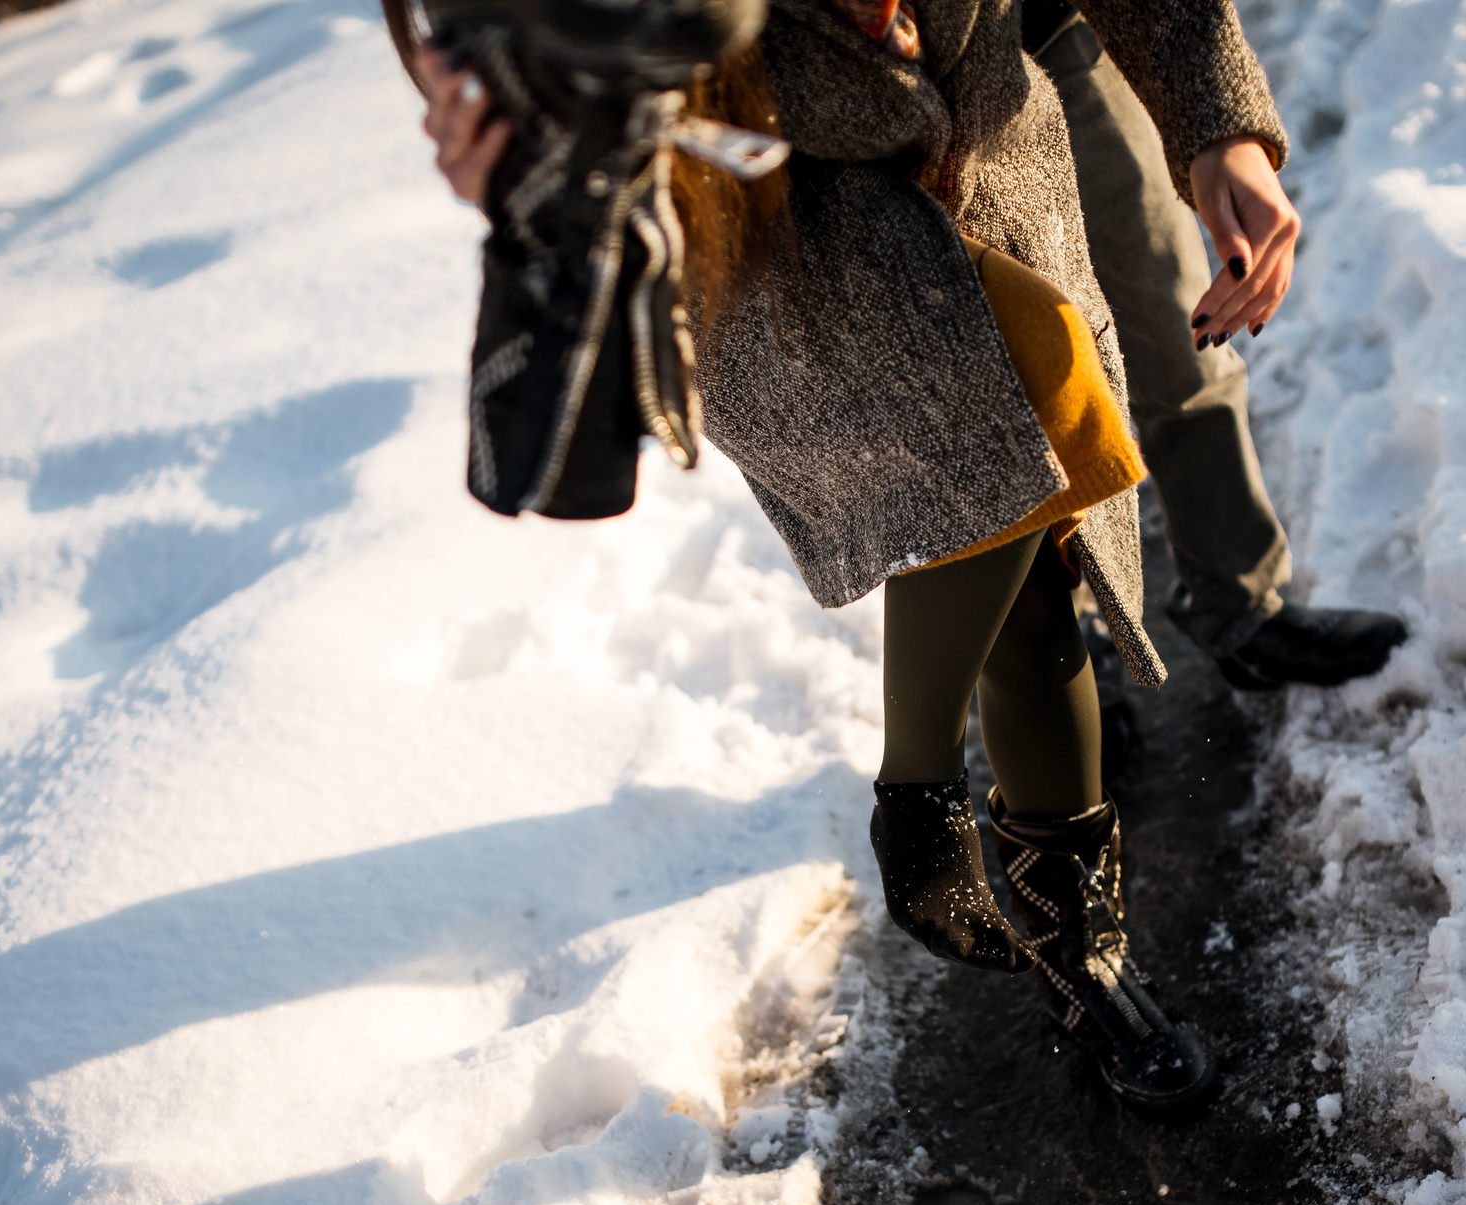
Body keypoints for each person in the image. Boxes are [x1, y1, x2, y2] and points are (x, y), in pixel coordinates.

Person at [402, 0, 1297, 1114]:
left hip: (1003, 185)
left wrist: (1223, 130)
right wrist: (514, 108)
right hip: (797, 248)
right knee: (1016, 465)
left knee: (1035, 603)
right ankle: (921, 795)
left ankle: (1077, 955)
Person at [1021, 0, 1405, 696]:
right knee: (1019, 390)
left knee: (1181, 335)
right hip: (872, 106)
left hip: (1043, 31)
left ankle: (1239, 604)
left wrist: (1220, 126)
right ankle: (1069, 648)